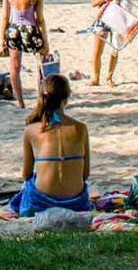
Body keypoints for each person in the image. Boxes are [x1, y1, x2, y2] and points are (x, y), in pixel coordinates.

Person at [7, 75, 91, 217]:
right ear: (66, 98)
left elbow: (26, 174)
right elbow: (85, 174)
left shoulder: (31, 130)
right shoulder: (80, 128)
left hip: (41, 202)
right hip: (75, 202)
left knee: (24, 192)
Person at [1, 0, 48, 109]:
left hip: (14, 30)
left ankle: (20, 102)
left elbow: (5, 18)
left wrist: (2, 38)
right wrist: (45, 41)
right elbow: (39, 19)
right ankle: (41, 100)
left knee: (14, 67)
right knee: (40, 65)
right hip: (31, 30)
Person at [90, 0, 126, 87]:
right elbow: (93, 3)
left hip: (116, 19)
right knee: (97, 51)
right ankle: (95, 78)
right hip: (102, 19)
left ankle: (109, 77)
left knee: (114, 50)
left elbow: (126, 6)